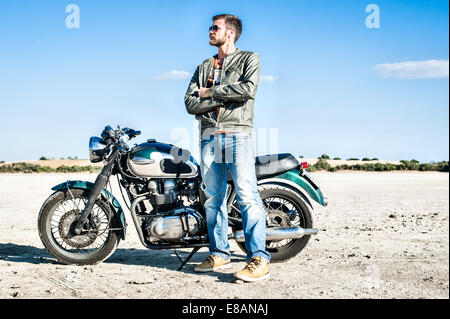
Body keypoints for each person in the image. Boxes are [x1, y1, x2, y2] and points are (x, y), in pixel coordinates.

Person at [184, 14, 270, 282]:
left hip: (237, 134)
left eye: (215, 27)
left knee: (246, 195)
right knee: (213, 198)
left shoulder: (249, 59)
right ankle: (219, 252)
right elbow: (190, 104)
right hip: (209, 136)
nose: (210, 31)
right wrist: (221, 98)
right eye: (211, 27)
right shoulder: (203, 66)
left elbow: (246, 89)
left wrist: (209, 93)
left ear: (230, 32)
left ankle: (258, 258)